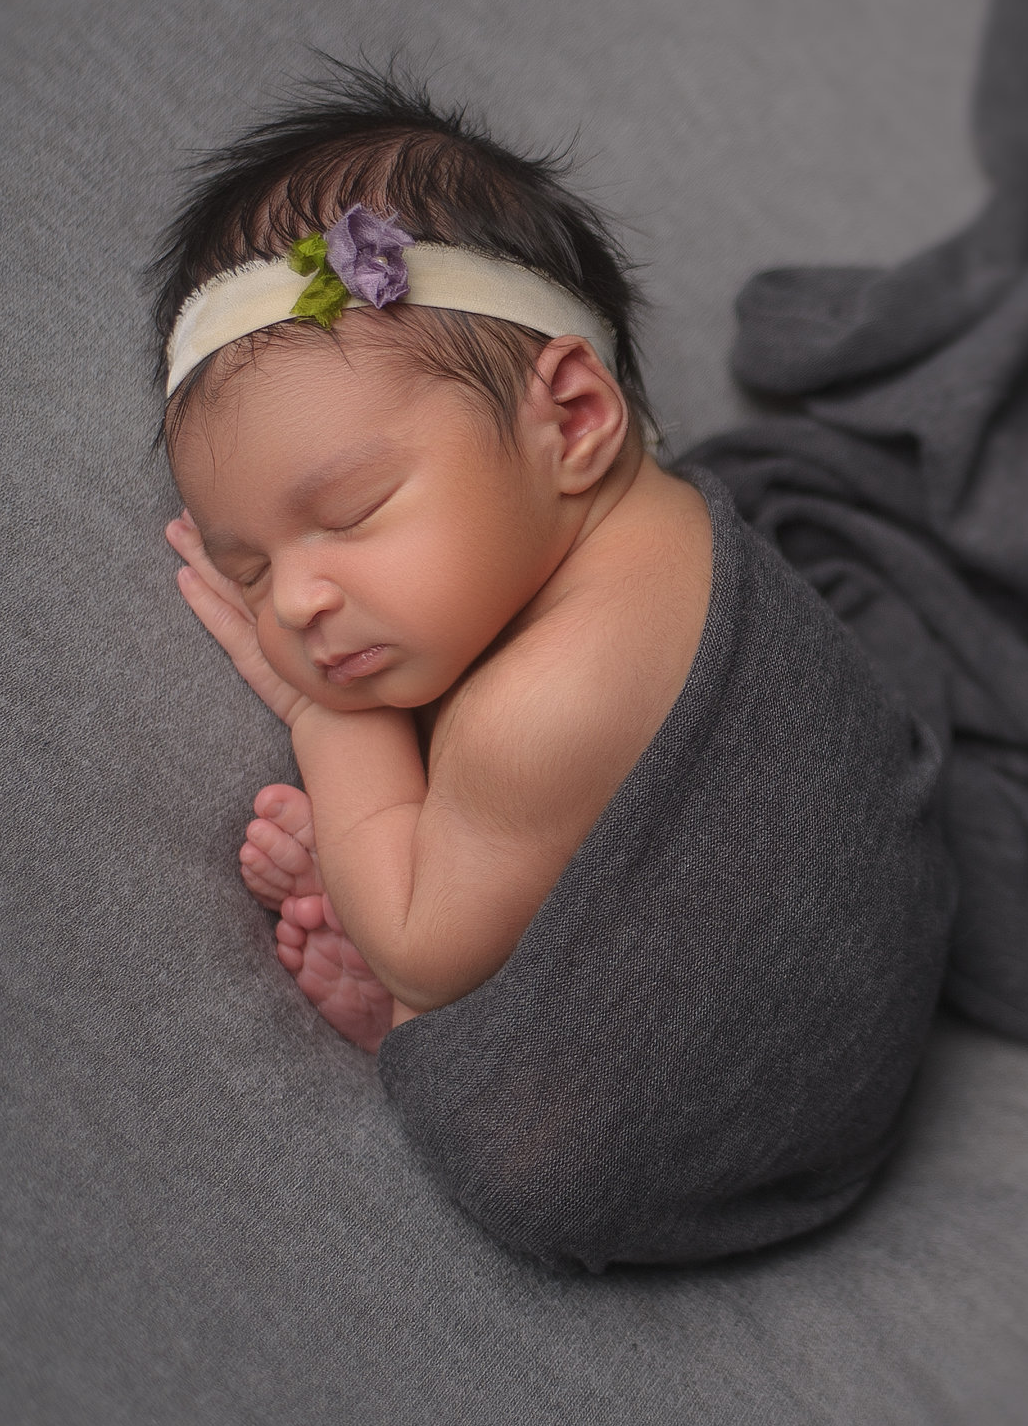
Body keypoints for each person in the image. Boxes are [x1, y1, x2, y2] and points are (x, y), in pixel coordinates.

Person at [154, 67, 711, 1054]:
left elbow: (420, 946)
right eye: (247, 570)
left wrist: (327, 718)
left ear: (575, 419)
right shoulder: (685, 530)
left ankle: (420, 1035)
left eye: (354, 510)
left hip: (686, 1125)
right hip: (857, 960)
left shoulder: (540, 712)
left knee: (429, 971)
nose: (294, 600)